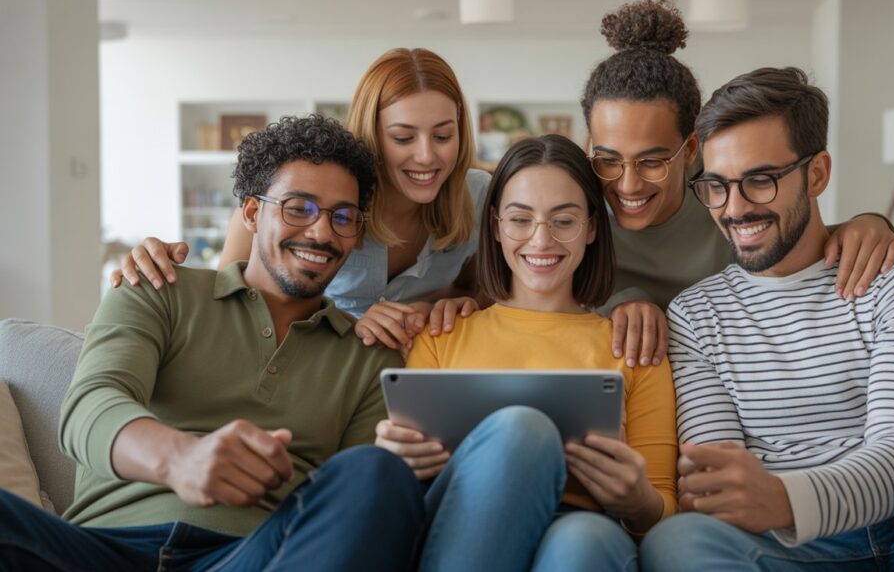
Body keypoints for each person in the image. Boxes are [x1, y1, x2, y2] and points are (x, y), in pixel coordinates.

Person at [637, 67, 894, 571]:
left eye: (760, 181)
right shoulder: (694, 315)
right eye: (716, 186)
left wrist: (782, 497)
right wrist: (762, 503)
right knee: (678, 543)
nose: (734, 209)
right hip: (794, 549)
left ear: (816, 173)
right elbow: (718, 484)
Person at [0, 115, 424, 571]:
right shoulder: (158, 287)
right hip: (98, 553)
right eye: (298, 207)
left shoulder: (369, 356)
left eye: (343, 217)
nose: (322, 233)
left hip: (251, 558)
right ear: (251, 213)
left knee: (375, 471)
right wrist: (179, 458)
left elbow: (355, 514)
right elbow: (89, 406)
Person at [374, 135, 678, 572]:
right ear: (496, 227)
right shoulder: (442, 333)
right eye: (520, 219)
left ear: (592, 227)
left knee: (586, 538)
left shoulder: (632, 348)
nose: (541, 240)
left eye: (564, 220)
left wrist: (638, 500)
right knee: (522, 429)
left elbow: (663, 510)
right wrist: (396, 459)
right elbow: (406, 488)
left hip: (584, 531)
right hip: (467, 527)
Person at [580, 0, 894, 369]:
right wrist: (621, 299)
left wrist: (866, 224)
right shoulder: (577, 198)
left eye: (652, 161)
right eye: (608, 159)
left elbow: (788, 237)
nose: (628, 184)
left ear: (690, 151)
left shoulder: (723, 188)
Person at [112, 47, 490, 351]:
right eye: (403, 138)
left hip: (418, 366)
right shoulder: (309, 198)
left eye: (443, 136)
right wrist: (349, 323)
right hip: (319, 368)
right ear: (372, 136)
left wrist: (456, 306)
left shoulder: (477, 197)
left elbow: (480, 290)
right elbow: (228, 310)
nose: (427, 156)